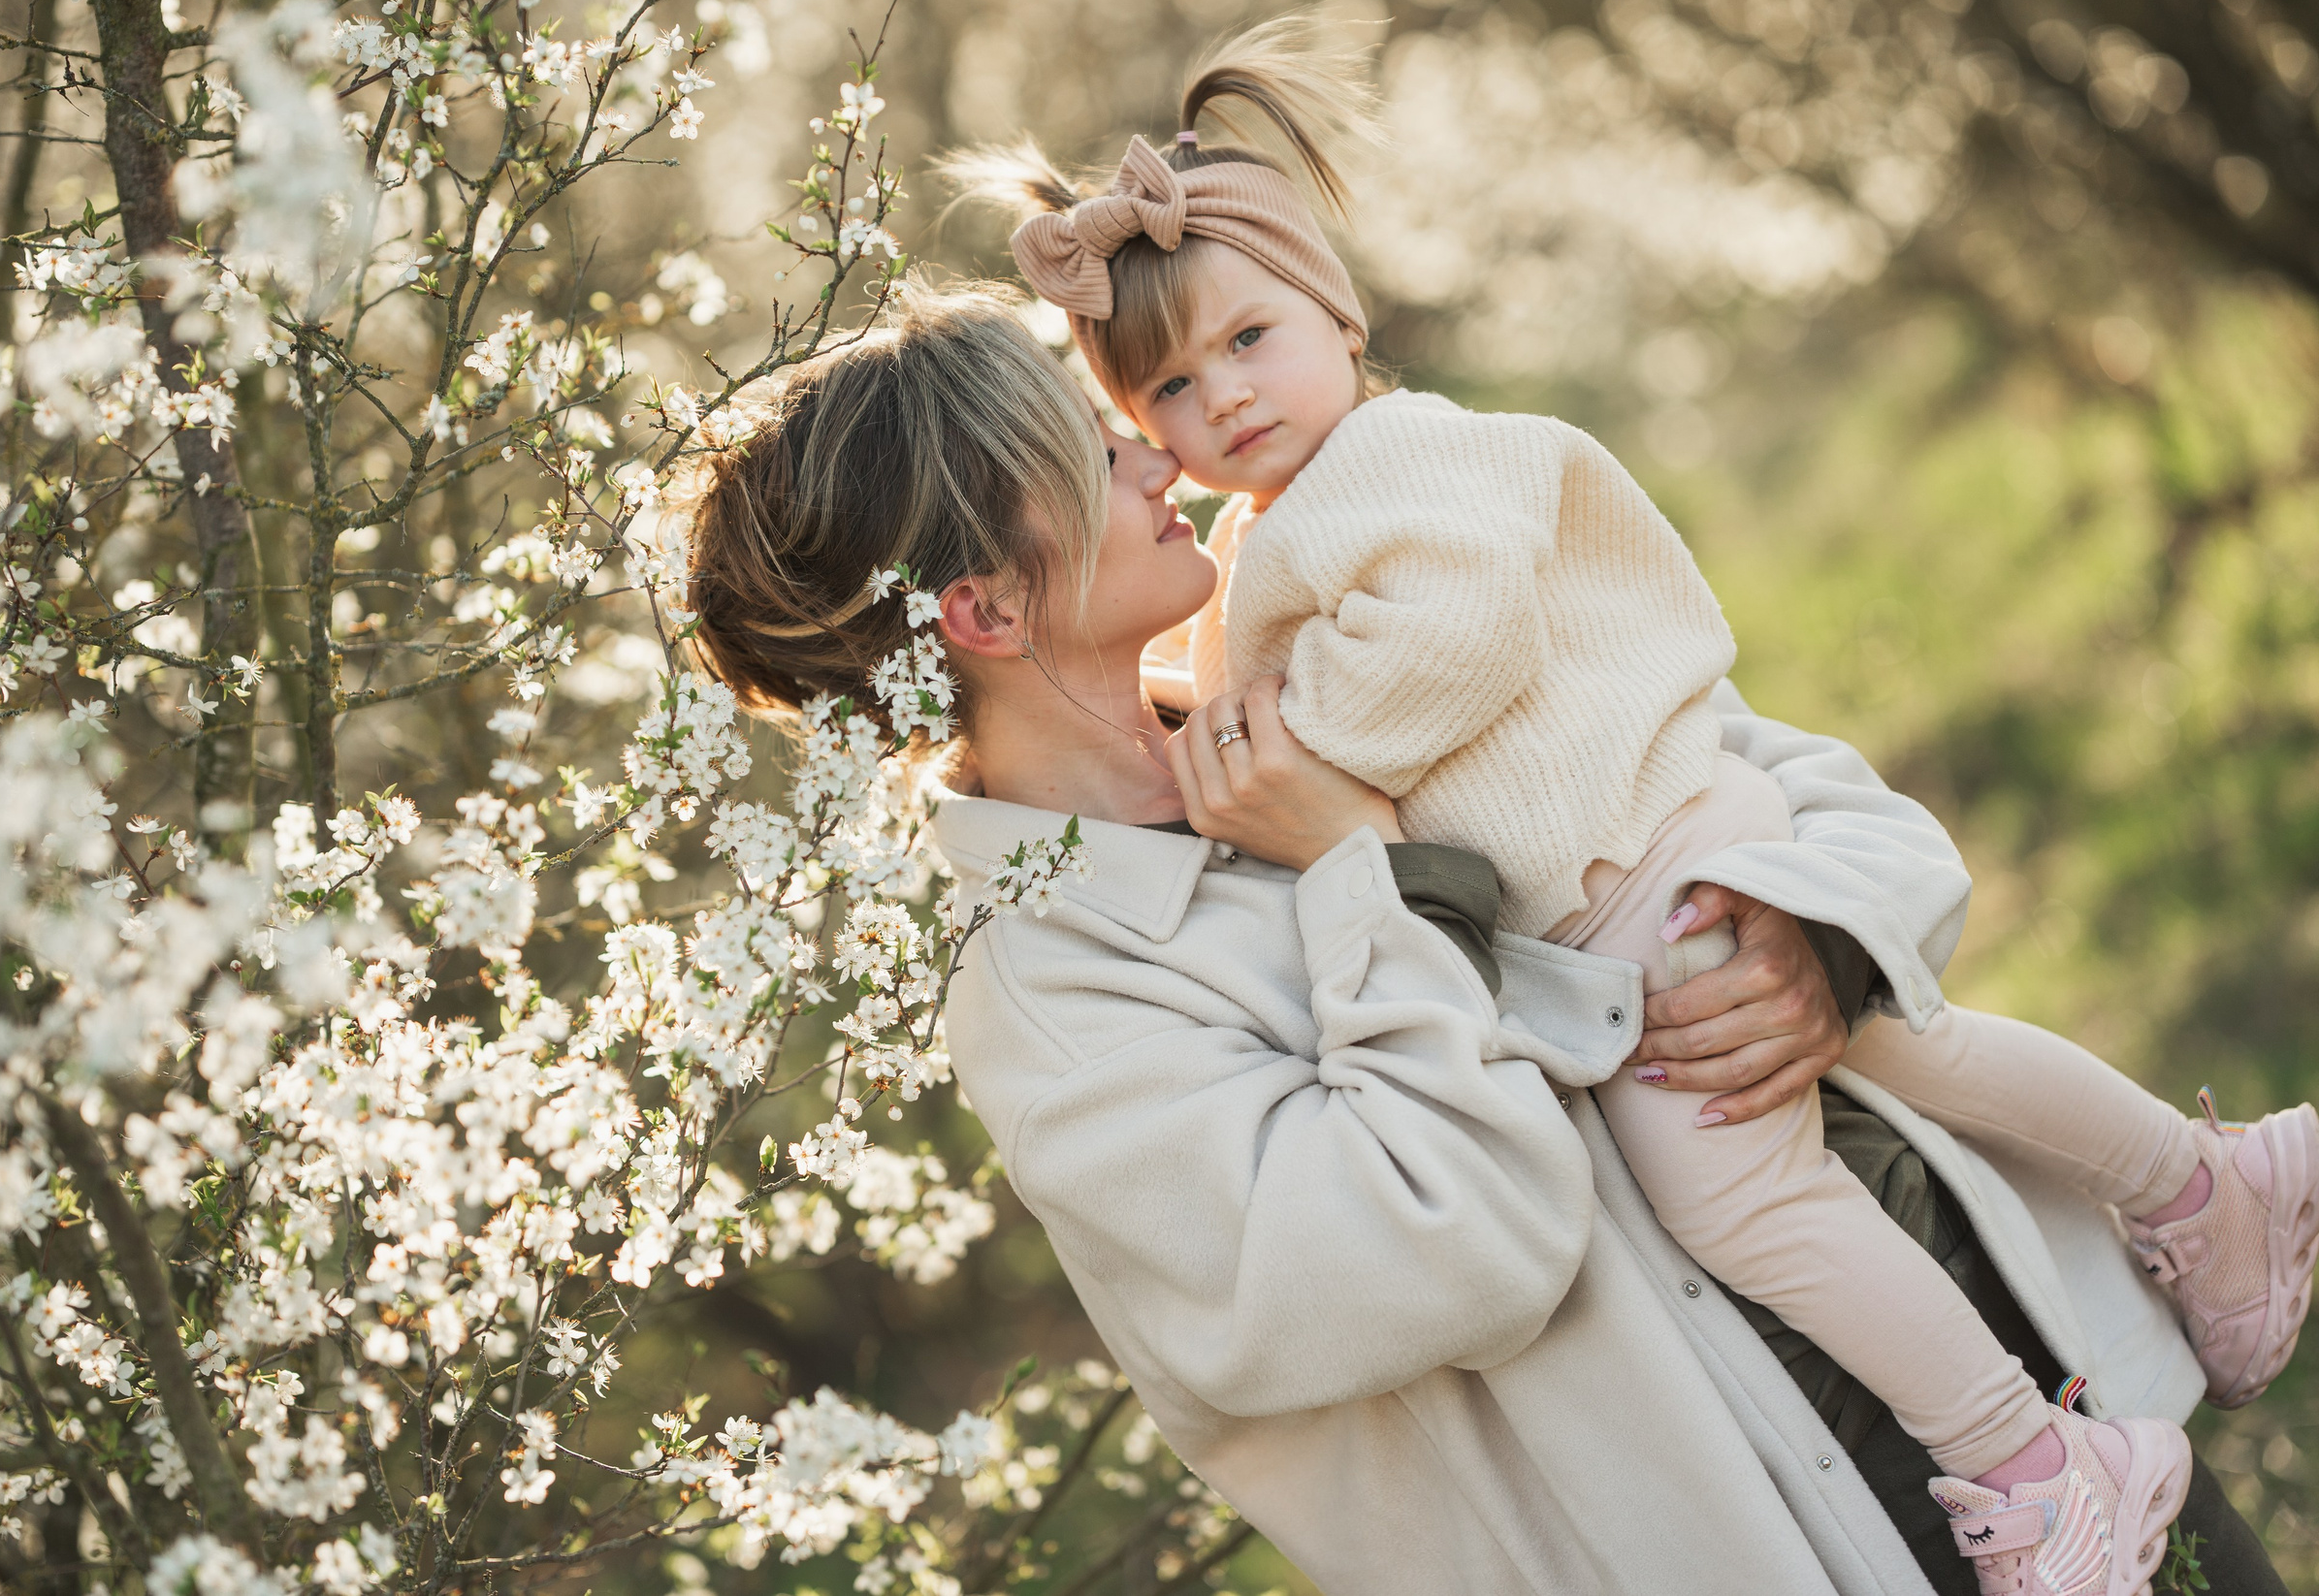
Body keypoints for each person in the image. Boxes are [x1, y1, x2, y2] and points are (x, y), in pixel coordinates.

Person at [951, 18, 2319, 1594]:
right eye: (1173, 390)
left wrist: (1314, 773)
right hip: (1648, 892)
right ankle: (2199, 1188)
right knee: (1911, 1045)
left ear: (1338, 310)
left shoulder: (1397, 465)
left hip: (1648, 867)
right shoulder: (1279, 560)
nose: (1218, 406)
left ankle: (2034, 1457)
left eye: (1251, 341)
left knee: (1737, 1186)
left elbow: (1455, 643)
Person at [682, 283, 2286, 1595]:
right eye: (1091, 454)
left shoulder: (1324, 657)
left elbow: (1781, 778)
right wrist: (1358, 875)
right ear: (985, 615)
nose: (1158, 457)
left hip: (2053, 1401)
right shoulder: (1056, 1002)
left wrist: (1821, 943)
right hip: (1811, 1537)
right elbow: (1458, 1245)